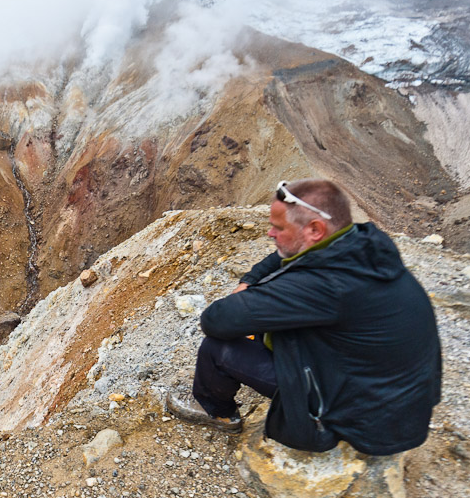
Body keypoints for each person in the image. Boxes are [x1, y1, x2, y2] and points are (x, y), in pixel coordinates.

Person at [167, 179, 441, 455]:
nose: (270, 233)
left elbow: (216, 320)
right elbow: (288, 257)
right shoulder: (361, 244)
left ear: (314, 230)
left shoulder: (326, 285)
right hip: (397, 407)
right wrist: (250, 280)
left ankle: (217, 412)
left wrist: (243, 298)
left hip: (367, 427)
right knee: (268, 323)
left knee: (219, 347)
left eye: (279, 227)